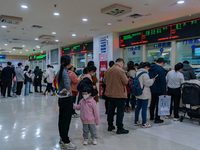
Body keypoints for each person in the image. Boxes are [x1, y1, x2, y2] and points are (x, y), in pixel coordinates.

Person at [103, 58, 129, 134]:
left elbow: (104, 81)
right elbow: (126, 81)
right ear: (121, 63)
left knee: (110, 111)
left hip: (110, 94)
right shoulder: (120, 71)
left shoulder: (108, 70)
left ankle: (110, 126)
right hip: (119, 95)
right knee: (120, 112)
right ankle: (120, 128)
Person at [57, 55, 76, 149]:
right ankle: (65, 140)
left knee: (61, 119)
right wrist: (68, 90)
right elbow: (68, 86)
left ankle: (62, 137)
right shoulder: (65, 72)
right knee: (66, 120)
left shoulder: (59, 71)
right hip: (67, 99)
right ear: (68, 63)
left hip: (61, 98)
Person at [134, 62, 155, 128]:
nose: (148, 69)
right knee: (144, 108)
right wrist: (152, 80)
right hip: (144, 93)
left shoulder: (137, 72)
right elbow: (147, 83)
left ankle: (136, 121)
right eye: (148, 67)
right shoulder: (145, 74)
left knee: (138, 107)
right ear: (146, 67)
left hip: (138, 92)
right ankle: (144, 123)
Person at [149, 58, 167, 123]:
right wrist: (164, 91)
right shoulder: (161, 69)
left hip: (152, 88)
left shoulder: (151, 68)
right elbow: (162, 81)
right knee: (159, 104)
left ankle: (151, 116)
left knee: (152, 103)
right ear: (162, 63)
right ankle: (157, 118)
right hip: (159, 89)